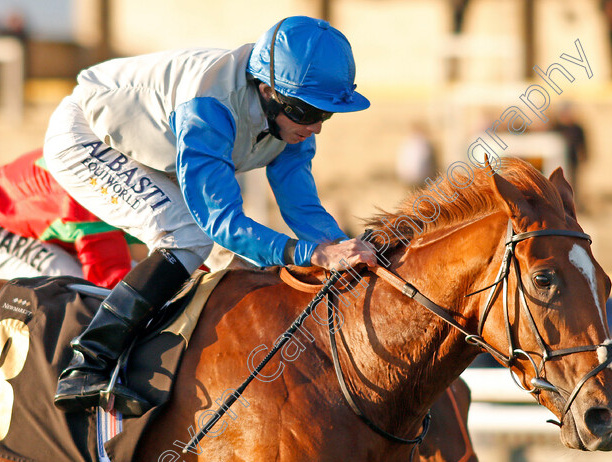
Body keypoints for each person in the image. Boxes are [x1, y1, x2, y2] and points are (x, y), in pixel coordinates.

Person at [41, 16, 378, 414]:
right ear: (268, 91)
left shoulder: (290, 117)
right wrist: (309, 254)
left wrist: (344, 249)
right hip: (85, 136)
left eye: (326, 113)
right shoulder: (209, 106)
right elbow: (220, 222)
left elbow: (301, 206)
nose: (318, 127)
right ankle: (88, 362)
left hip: (157, 149)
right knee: (189, 236)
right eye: (307, 112)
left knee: (232, 265)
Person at [0, 148, 144, 289]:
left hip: (33, 207)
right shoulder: (88, 209)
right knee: (82, 294)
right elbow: (109, 285)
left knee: (142, 281)